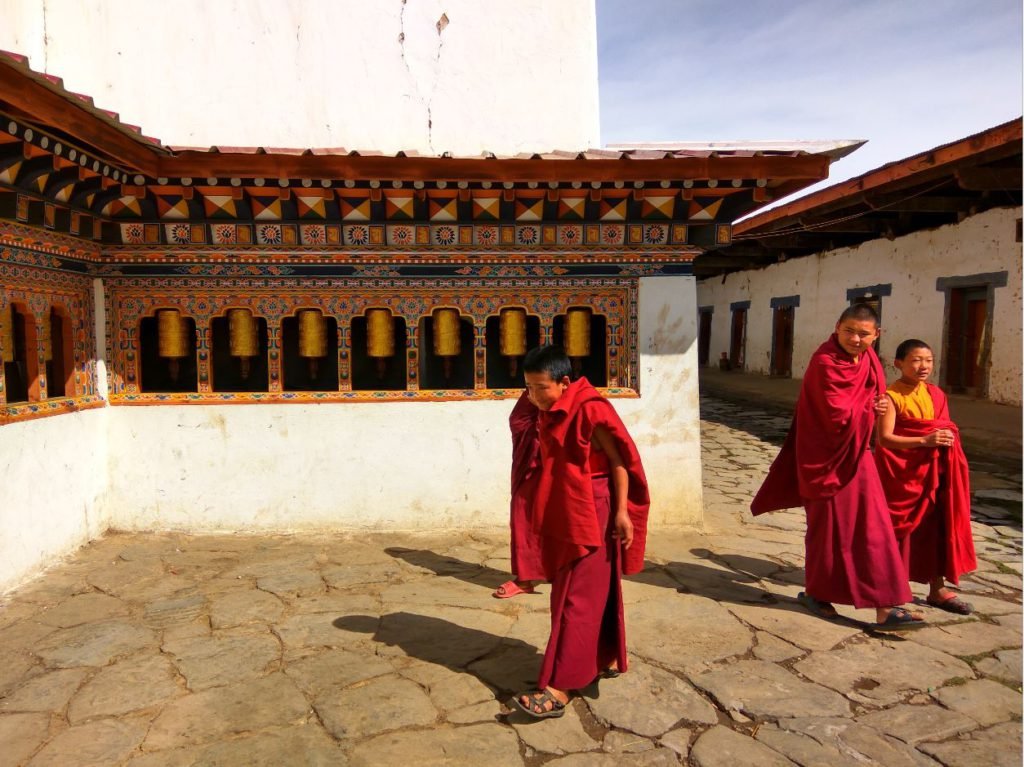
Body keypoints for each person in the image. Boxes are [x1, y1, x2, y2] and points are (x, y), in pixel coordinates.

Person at [751, 304, 924, 630]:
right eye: (849, 331)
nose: (855, 339)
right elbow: (835, 413)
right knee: (826, 530)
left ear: (877, 335)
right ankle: (819, 594)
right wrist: (871, 407)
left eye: (863, 334)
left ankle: (885, 605)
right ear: (837, 327)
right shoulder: (825, 361)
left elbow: (873, 396)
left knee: (874, 527)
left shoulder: (870, 359)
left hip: (857, 454)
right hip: (823, 458)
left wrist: (880, 403)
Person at [507, 345, 650, 718]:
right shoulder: (547, 409)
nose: (535, 397)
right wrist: (535, 397)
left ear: (566, 382)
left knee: (577, 599)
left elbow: (620, 461)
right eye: (528, 388)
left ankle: (561, 686)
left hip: (596, 509)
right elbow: (521, 422)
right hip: (567, 509)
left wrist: (622, 513)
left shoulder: (590, 408)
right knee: (580, 594)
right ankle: (596, 659)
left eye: (541, 388)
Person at [874, 339, 977, 613]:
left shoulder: (936, 394)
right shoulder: (890, 396)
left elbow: (943, 427)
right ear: (899, 364)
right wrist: (925, 441)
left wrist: (943, 440)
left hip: (934, 472)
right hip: (904, 476)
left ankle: (937, 589)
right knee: (900, 531)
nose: (923, 366)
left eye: (928, 360)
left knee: (935, 528)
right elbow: (884, 439)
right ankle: (890, 589)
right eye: (916, 360)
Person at [492, 390, 545, 598]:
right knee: (524, 515)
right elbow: (519, 421)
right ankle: (524, 579)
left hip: (558, 464)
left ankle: (556, 570)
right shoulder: (532, 396)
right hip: (533, 465)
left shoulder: (574, 394)